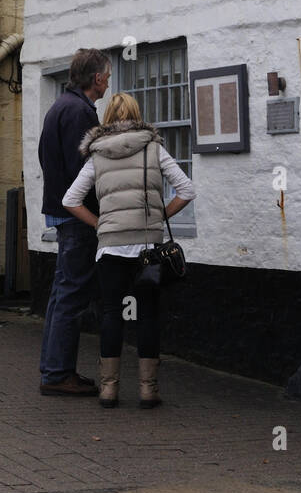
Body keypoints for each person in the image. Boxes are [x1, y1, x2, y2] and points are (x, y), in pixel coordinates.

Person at [61, 92, 196, 409]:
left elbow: (70, 200)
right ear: (137, 115)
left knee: (112, 315)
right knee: (147, 315)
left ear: (107, 118)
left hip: (110, 249)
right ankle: (148, 391)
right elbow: (187, 190)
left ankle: (109, 391)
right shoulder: (154, 149)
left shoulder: (97, 155)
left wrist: (99, 225)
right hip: (147, 249)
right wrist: (159, 216)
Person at [38, 48, 112, 396]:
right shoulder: (81, 113)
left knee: (60, 293)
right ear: (96, 78)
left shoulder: (58, 106)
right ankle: (56, 375)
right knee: (71, 294)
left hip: (61, 210)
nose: (109, 81)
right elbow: (84, 171)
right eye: (107, 75)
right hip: (77, 216)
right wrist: (96, 215)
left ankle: (54, 368)